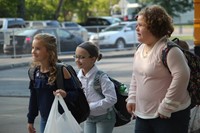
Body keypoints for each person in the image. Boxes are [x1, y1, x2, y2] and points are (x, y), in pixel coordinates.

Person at [126, 5, 191, 133]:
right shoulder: (140, 49)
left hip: (169, 115)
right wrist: (132, 97)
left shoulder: (170, 50)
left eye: (140, 25)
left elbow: (182, 77)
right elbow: (136, 75)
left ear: (153, 27)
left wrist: (167, 105)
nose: (136, 28)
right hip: (143, 114)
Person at [27, 33, 77, 133]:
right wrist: (30, 120)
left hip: (63, 120)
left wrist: (65, 94)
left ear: (49, 51)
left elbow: (77, 94)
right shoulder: (34, 72)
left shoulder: (61, 70)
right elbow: (34, 99)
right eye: (33, 47)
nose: (33, 51)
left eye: (38, 48)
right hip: (45, 120)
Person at [74, 41, 117, 133]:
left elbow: (112, 99)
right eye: (76, 56)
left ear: (93, 59)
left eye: (82, 57)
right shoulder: (78, 76)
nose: (78, 60)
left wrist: (90, 106)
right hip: (89, 117)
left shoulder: (101, 77)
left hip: (105, 117)